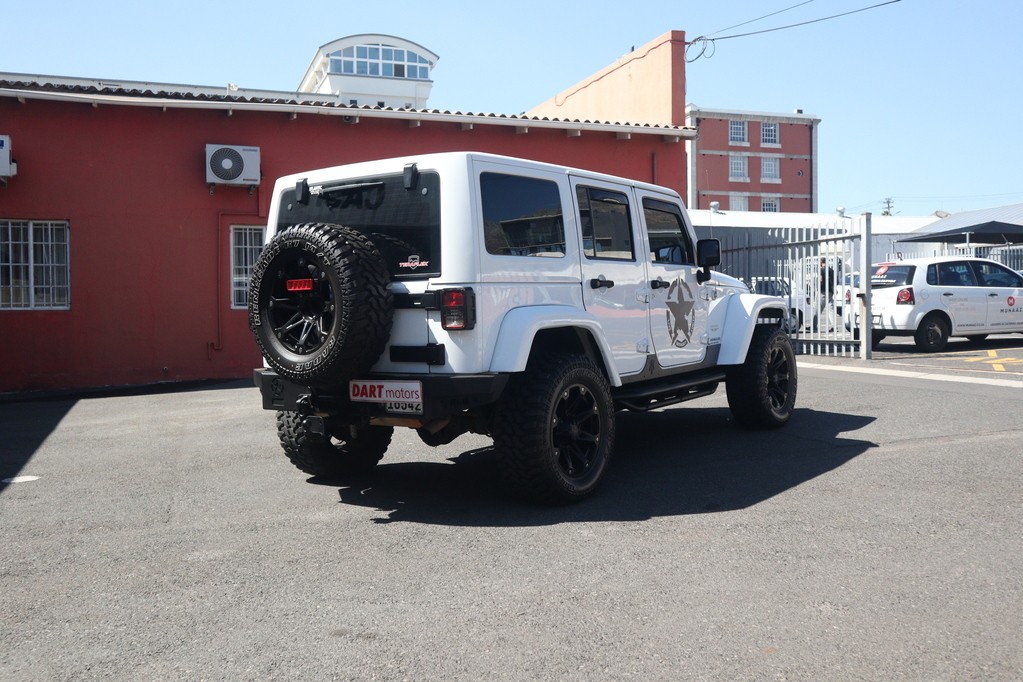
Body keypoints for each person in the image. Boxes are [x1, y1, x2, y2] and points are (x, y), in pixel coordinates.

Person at [818, 257, 835, 332]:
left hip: (823, 291)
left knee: (818, 309)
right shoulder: (831, 270)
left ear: (821, 263)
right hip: (830, 291)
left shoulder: (821, 270)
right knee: (831, 309)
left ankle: (814, 326)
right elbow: (835, 280)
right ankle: (834, 326)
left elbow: (820, 280)